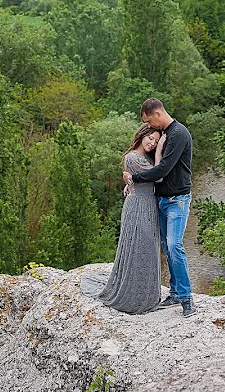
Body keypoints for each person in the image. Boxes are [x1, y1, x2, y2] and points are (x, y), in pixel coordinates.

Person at [123, 98, 196, 318]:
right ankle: (174, 292)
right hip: (162, 200)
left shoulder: (179, 134)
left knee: (175, 246)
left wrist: (134, 178)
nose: (149, 125)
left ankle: (186, 298)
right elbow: (150, 163)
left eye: (149, 121)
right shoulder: (164, 135)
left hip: (177, 200)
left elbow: (163, 169)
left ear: (157, 113)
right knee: (166, 245)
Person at [81, 124, 165, 314]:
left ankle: (146, 293)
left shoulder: (144, 158)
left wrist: (131, 181)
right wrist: (160, 151)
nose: (152, 143)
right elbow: (159, 177)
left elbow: (148, 177)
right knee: (140, 246)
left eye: (157, 142)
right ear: (142, 135)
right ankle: (134, 295)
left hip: (147, 204)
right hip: (138, 207)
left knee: (148, 248)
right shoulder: (132, 157)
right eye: (151, 138)